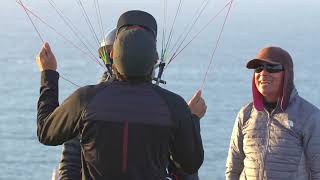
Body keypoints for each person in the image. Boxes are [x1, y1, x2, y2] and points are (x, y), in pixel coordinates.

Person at [36, 10, 206, 180]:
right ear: (154, 60)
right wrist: (191, 120)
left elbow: (46, 132)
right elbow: (190, 164)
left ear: (112, 56)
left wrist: (48, 73)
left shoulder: (85, 100)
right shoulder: (173, 107)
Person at [225, 46, 320, 179]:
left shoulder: (310, 116)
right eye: (258, 68)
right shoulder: (245, 114)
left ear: (287, 74)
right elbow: (233, 168)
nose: (263, 73)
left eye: (272, 68)